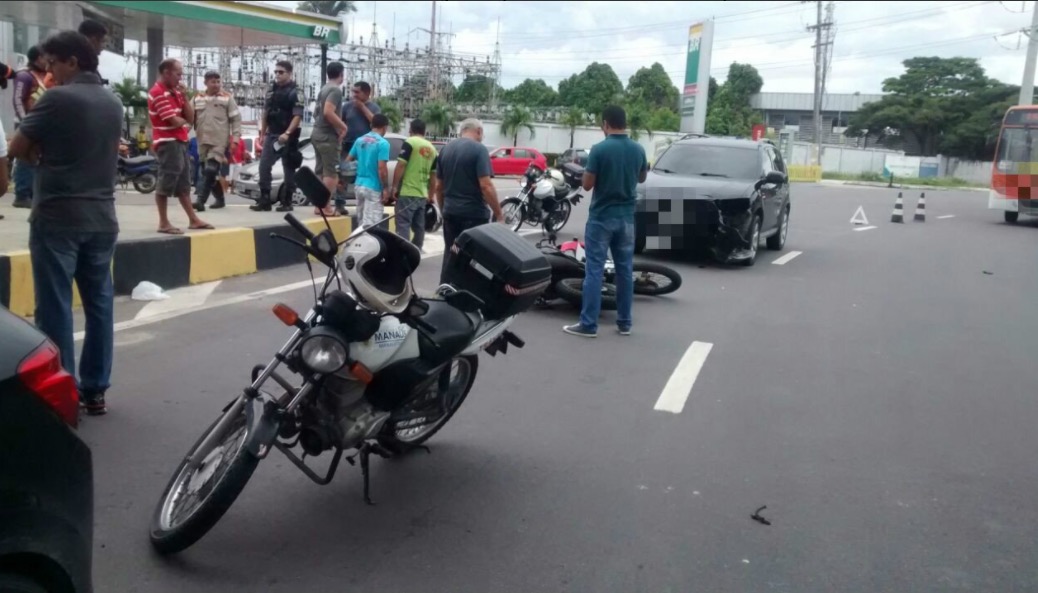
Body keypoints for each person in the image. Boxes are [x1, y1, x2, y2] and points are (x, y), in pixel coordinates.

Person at [8, 30, 124, 415]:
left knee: (55, 306)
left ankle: (63, 391)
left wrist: (42, 158)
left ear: (72, 61)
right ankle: (96, 390)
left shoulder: (57, 99)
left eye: (54, 64)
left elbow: (17, 148)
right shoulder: (113, 102)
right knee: (100, 305)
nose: (50, 72)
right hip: (102, 218)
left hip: (58, 216)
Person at [563, 105, 647, 338]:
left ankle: (589, 324)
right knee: (624, 270)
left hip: (601, 218)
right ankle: (624, 323)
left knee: (594, 271)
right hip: (626, 218)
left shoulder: (599, 150)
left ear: (606, 124)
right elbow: (641, 177)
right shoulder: (638, 149)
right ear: (624, 123)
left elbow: (587, 184)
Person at [434, 118, 504, 283]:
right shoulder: (479, 150)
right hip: (474, 215)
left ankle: (444, 289)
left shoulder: (445, 150)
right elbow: (486, 186)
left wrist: (444, 209)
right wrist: (499, 214)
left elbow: (438, 186)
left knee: (451, 253)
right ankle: (466, 293)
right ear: (479, 131)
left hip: (451, 213)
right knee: (472, 259)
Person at [148, 58, 212, 234]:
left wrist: (183, 97)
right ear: (166, 73)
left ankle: (193, 219)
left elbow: (190, 118)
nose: (180, 78)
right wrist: (183, 120)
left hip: (180, 140)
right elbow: (174, 121)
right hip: (167, 142)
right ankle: (163, 222)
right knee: (166, 181)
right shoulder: (158, 93)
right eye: (178, 74)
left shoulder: (175, 92)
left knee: (183, 184)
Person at [250, 60, 304, 213]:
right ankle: (265, 199)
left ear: (289, 73)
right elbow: (266, 112)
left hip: (288, 136)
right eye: (276, 72)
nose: (277, 75)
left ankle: (287, 201)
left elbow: (297, 115)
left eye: (281, 72)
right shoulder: (271, 91)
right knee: (264, 166)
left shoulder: (296, 92)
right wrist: (262, 133)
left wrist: (287, 133)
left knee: (289, 168)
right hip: (272, 134)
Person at [191, 71, 241, 212]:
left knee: (210, 169)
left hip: (219, 141)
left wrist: (235, 139)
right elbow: (189, 117)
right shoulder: (197, 98)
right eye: (213, 82)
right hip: (202, 140)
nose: (216, 85)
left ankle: (200, 201)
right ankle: (220, 199)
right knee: (208, 173)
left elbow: (236, 120)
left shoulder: (227, 98)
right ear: (205, 83)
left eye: (218, 82)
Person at [10, 45, 48, 209]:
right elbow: (17, 99)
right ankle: (22, 194)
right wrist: (25, 121)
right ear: (38, 58)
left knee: (36, 158)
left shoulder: (45, 75)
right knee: (25, 159)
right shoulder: (24, 76)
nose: (48, 60)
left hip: (41, 124)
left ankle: (32, 193)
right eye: (45, 57)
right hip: (27, 123)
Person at [391, 118, 438, 251]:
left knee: (403, 224)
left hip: (407, 191)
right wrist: (431, 195)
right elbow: (433, 176)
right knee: (419, 226)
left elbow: (401, 165)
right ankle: (416, 250)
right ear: (424, 131)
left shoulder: (410, 142)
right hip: (422, 194)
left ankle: (403, 252)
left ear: (411, 130)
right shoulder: (432, 149)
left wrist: (394, 187)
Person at [309, 61, 348, 217]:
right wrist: (343, 127)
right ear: (341, 74)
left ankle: (318, 206)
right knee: (331, 173)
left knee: (320, 171)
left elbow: (316, 113)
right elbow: (328, 112)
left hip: (316, 133)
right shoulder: (335, 90)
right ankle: (326, 207)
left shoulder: (323, 89)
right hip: (327, 136)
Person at [337, 81, 381, 216]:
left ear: (367, 93)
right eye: (353, 91)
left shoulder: (374, 107)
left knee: (364, 175)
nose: (354, 95)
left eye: (357, 92)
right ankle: (339, 204)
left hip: (366, 149)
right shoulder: (347, 107)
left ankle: (363, 205)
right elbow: (340, 122)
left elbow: (376, 123)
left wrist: (362, 107)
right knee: (343, 174)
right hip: (348, 145)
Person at [345, 113, 391, 229]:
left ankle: (359, 240)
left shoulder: (359, 140)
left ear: (371, 125)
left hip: (359, 185)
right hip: (373, 188)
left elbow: (348, 161)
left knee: (361, 223)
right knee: (372, 226)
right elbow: (382, 169)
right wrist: (385, 188)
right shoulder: (383, 143)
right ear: (385, 127)